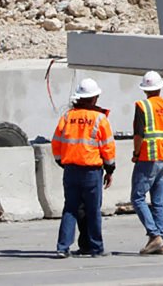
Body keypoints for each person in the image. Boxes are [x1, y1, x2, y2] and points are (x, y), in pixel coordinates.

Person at [52, 78, 116, 258]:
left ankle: (62, 247)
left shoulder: (67, 117)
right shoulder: (99, 118)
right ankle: (96, 248)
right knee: (93, 210)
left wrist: (61, 161)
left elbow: (56, 143)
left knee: (70, 209)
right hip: (91, 171)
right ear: (94, 98)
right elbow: (108, 147)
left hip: (70, 169)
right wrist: (110, 169)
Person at [131, 70, 163, 255]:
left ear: (145, 90)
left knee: (137, 197)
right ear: (160, 88)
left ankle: (155, 236)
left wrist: (136, 153)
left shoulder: (143, 106)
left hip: (147, 158)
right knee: (158, 201)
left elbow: (139, 134)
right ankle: (160, 239)